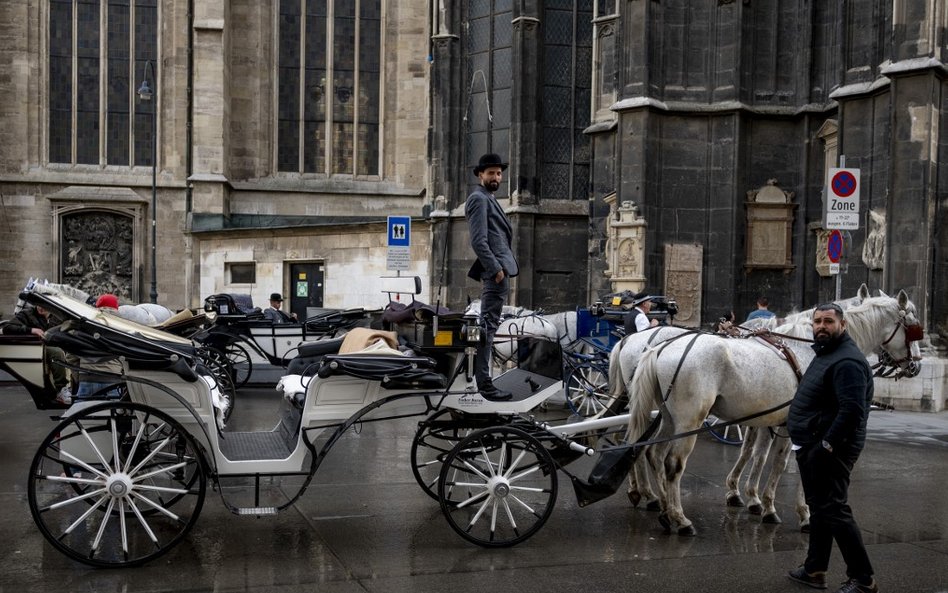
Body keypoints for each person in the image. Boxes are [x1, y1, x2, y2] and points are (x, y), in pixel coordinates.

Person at [786, 303, 878, 593]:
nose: (821, 326)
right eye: (817, 322)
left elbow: (852, 411)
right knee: (821, 508)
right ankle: (815, 569)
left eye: (828, 321)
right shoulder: (828, 352)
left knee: (835, 509)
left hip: (830, 448)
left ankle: (864, 579)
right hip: (813, 443)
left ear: (843, 325)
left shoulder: (847, 361)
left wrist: (826, 444)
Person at [465, 152, 519, 402]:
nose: (496, 177)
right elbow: (479, 240)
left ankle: (483, 380)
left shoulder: (488, 198)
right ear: (480, 175)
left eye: (499, 173)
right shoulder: (479, 199)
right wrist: (496, 269)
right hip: (494, 272)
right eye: (491, 173)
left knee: (489, 326)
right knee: (487, 327)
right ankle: (485, 384)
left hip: (499, 270)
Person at [2, 303, 72, 404]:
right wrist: (31, 330)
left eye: (44, 305)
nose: (41, 307)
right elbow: (7, 328)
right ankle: (61, 389)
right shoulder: (27, 314)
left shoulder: (57, 317)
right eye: (38, 304)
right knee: (57, 352)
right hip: (33, 347)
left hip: (50, 346)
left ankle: (76, 387)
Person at [73, 294, 125, 400]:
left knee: (82, 413)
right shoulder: (122, 327)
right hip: (112, 378)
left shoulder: (84, 326)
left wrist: (78, 376)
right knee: (112, 413)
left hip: (87, 377)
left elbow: (72, 355)